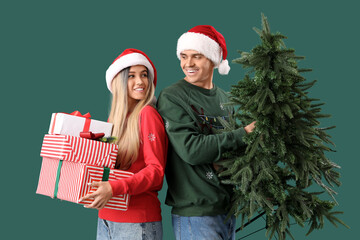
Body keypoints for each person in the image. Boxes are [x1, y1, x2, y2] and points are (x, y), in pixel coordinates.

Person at [156, 25, 255, 240]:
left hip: (227, 208)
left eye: (197, 57)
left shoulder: (225, 98)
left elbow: (234, 152)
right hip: (196, 213)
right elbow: (191, 150)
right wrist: (243, 133)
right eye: (183, 56)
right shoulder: (173, 97)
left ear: (213, 59)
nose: (188, 64)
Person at [80, 48, 168, 240]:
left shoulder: (148, 114)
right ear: (119, 82)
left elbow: (156, 172)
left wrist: (114, 188)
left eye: (144, 75)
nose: (140, 82)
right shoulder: (115, 120)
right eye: (132, 76)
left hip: (138, 222)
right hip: (106, 217)